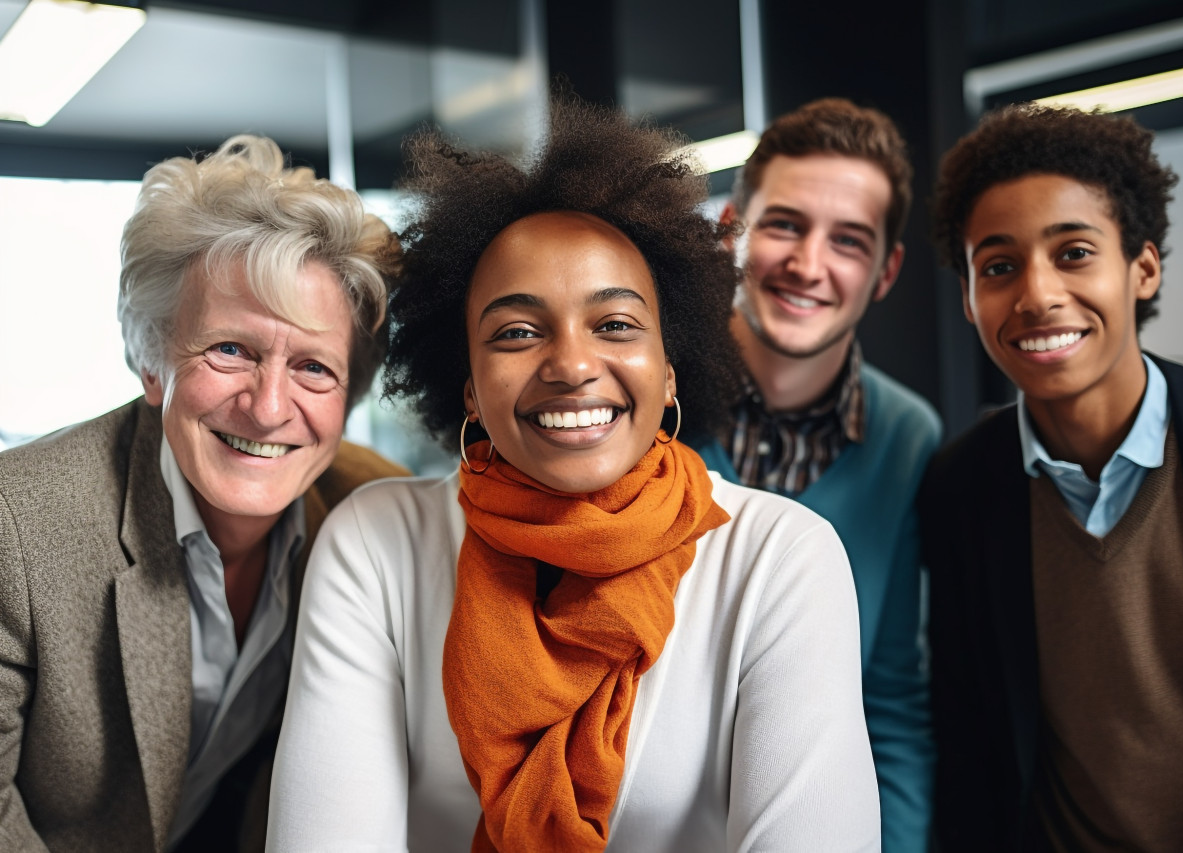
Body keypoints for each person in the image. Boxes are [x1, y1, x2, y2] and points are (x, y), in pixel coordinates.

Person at [266, 99, 880, 852]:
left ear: (670, 370)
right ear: (467, 386)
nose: (573, 365)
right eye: (517, 331)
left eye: (616, 324)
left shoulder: (779, 557)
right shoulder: (376, 541)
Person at [0, 135, 408, 853]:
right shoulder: (16, 528)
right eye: (231, 350)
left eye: (314, 367)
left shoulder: (372, 512)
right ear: (154, 360)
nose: (269, 407)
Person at [922, 103, 1183, 851]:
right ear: (967, 298)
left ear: (1142, 268)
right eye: (998, 266)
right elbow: (972, 753)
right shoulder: (958, 488)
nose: (1037, 293)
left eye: (1074, 252)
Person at [692, 97, 940, 851]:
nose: (807, 265)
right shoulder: (640, 404)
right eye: (784, 225)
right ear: (732, 229)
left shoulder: (906, 436)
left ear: (886, 270)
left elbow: (888, 701)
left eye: (849, 241)